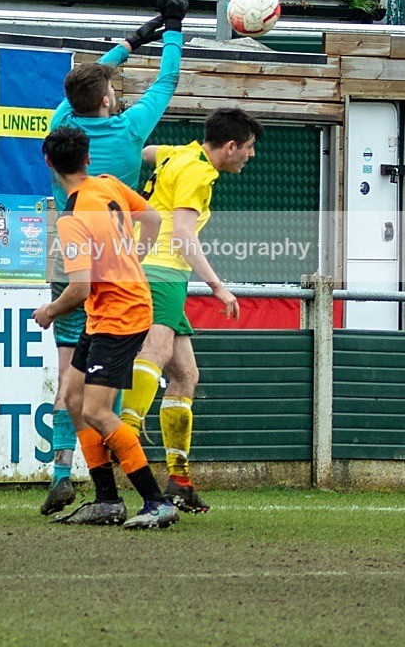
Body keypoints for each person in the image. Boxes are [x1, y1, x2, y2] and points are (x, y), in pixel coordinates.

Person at [42, 0, 188, 517]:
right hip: (121, 271)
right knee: (103, 394)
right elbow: (167, 81)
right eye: (111, 90)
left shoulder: (64, 124)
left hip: (71, 263)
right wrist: (171, 29)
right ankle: (125, 494)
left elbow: (81, 83)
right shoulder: (128, 132)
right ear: (108, 100)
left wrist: (127, 44)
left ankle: (65, 474)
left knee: (72, 381)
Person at [34, 127, 179, 530]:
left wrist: (49, 311)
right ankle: (106, 501)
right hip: (108, 312)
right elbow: (151, 218)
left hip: (120, 315)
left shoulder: (72, 219)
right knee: (75, 398)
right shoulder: (108, 185)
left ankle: (155, 500)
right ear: (88, 159)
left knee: (96, 411)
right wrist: (134, 256)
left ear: (49, 163)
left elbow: (79, 288)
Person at [121, 107, 263, 513]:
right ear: (231, 146)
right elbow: (182, 236)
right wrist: (218, 287)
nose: (250, 156)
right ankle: (126, 432)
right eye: (249, 148)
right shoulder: (199, 175)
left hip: (151, 267)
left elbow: (144, 151)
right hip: (162, 269)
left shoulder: (180, 152)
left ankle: (178, 478)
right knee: (156, 351)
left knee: (185, 374)